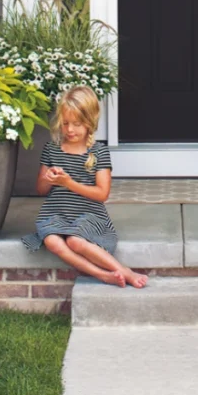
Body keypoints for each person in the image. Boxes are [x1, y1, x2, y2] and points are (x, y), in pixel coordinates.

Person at [22, 85, 148, 288]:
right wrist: (49, 177)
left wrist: (69, 183)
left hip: (89, 215)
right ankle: (102, 275)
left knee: (75, 241)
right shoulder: (52, 149)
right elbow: (41, 190)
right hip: (56, 214)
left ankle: (123, 270)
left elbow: (102, 194)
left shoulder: (99, 152)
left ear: (90, 122)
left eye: (77, 124)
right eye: (65, 124)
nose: (70, 130)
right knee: (52, 241)